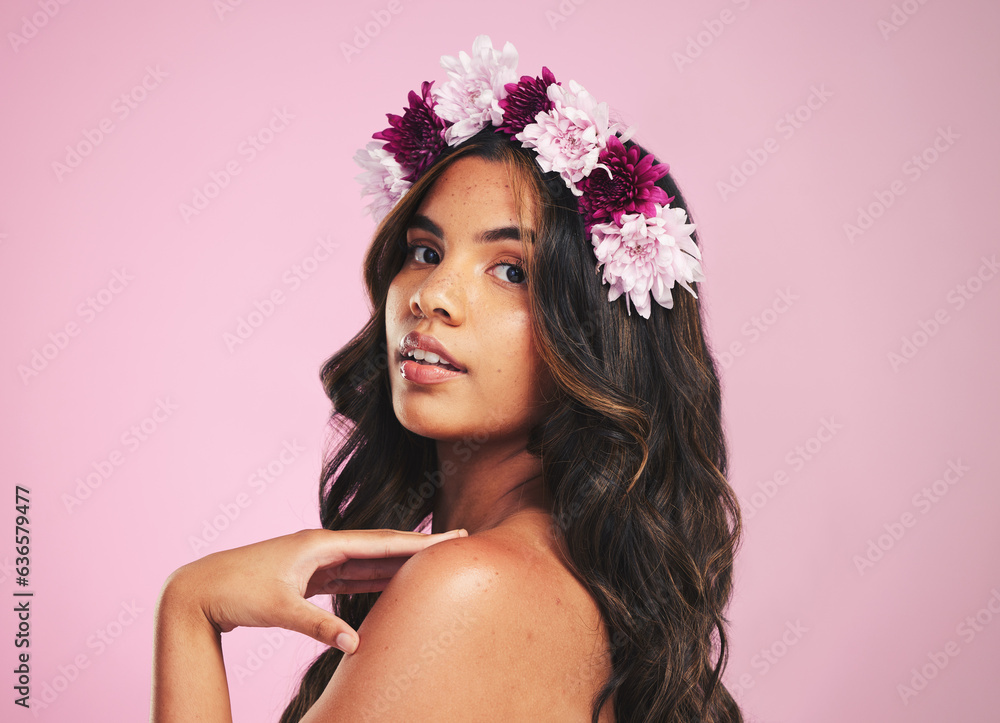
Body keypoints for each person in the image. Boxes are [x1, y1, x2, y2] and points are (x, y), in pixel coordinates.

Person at [151, 36, 744, 723]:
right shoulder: (561, 584)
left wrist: (190, 607)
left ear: (595, 334)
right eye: (426, 251)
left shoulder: (472, 587)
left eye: (510, 271)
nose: (431, 294)